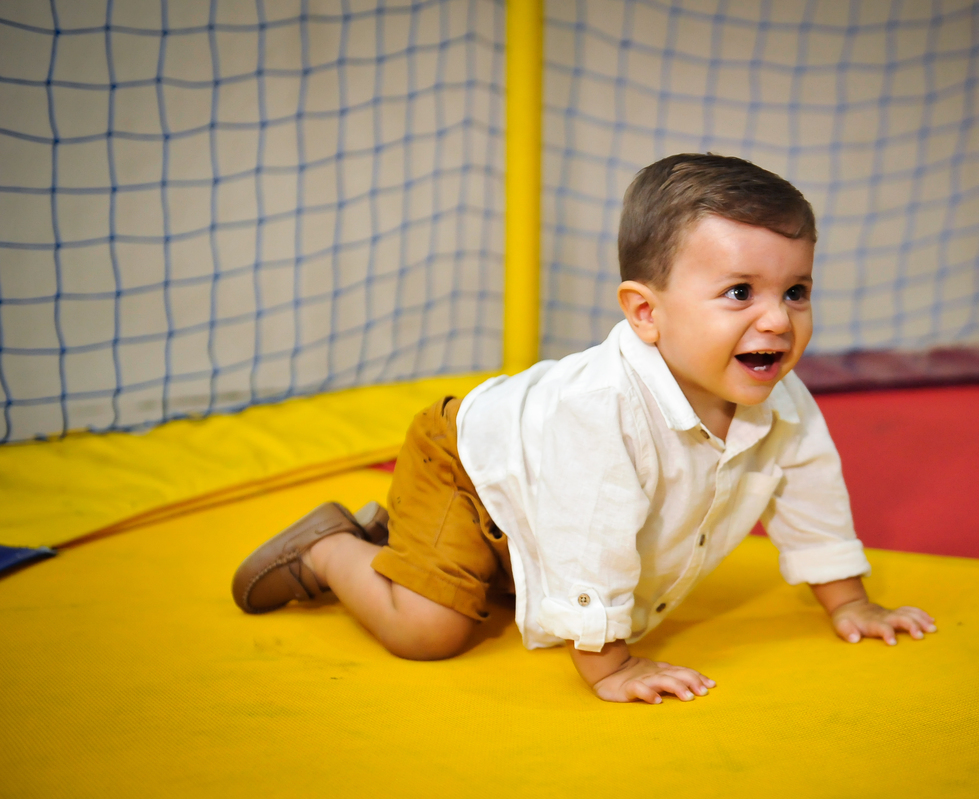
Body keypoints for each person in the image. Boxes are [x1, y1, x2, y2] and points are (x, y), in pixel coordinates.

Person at [231, 153, 936, 704]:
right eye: (740, 292)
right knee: (429, 630)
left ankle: (413, 547)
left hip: (538, 502)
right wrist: (610, 664)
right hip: (470, 469)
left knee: (513, 595)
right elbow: (592, 533)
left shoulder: (783, 402)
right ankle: (330, 546)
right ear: (645, 313)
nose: (778, 320)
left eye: (796, 291)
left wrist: (850, 601)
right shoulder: (603, 412)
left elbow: (811, 492)